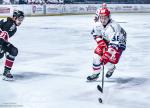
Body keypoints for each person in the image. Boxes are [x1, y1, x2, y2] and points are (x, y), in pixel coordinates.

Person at [87, 8, 127, 81]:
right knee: (97, 56)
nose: (103, 20)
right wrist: (100, 42)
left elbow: (114, 44)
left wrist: (107, 55)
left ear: (109, 17)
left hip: (119, 43)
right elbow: (95, 34)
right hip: (107, 39)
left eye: (105, 17)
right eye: (101, 17)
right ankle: (95, 73)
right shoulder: (97, 24)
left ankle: (111, 68)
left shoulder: (114, 26)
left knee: (107, 60)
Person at [0, 10, 24, 81]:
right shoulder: (11, 25)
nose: (20, 21)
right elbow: (2, 37)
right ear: (14, 18)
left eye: (22, 19)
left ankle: (6, 72)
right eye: (19, 18)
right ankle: (6, 73)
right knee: (13, 51)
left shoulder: (9, 22)